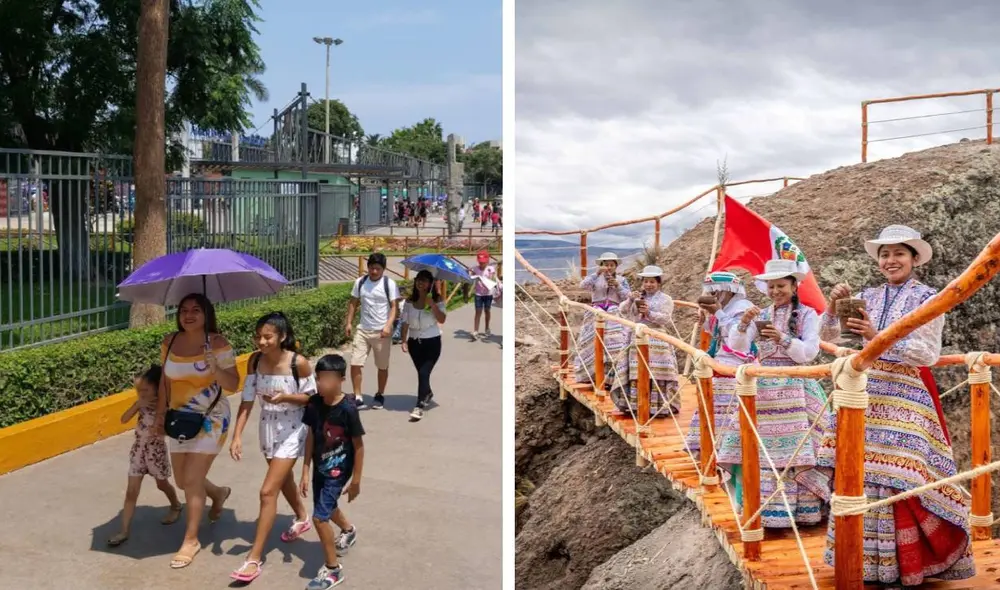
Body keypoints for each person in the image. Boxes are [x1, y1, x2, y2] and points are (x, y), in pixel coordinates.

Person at [816, 225, 974, 585]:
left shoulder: (929, 297)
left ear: (914, 258)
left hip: (906, 395)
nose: (891, 261)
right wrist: (832, 307)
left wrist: (876, 337)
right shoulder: (867, 296)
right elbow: (826, 339)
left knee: (901, 477)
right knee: (863, 474)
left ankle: (906, 568)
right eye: (885, 255)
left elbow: (927, 353)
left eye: (899, 254)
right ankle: (865, 565)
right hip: (865, 394)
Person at [721, 259, 832, 529]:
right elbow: (737, 346)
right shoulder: (762, 314)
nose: (775, 291)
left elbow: (808, 354)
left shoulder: (807, 316)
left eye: (781, 286)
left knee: (801, 449)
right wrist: (743, 326)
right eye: (771, 287)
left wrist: (782, 338)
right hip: (764, 387)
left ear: (794, 286)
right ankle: (768, 512)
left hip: (796, 385)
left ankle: (804, 511)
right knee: (761, 449)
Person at [229, 312, 316, 583]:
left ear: (282, 337)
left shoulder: (298, 363)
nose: (262, 341)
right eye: (258, 336)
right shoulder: (254, 361)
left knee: (268, 491)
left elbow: (313, 399)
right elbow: (246, 402)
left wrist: (286, 397)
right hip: (267, 427)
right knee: (282, 478)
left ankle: (253, 559)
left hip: (294, 428)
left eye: (268, 336)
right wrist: (237, 436)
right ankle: (303, 516)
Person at [154, 293, 238, 568]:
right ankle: (217, 493)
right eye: (183, 310)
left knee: (191, 479)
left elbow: (233, 384)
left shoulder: (218, 343)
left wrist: (216, 368)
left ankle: (191, 539)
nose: (188, 315)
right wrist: (159, 414)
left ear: (206, 314)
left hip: (212, 418)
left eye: (195, 310)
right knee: (182, 480)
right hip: (180, 418)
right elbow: (165, 383)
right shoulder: (170, 341)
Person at [685, 272, 757, 503]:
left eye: (717, 291)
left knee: (722, 409)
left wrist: (717, 312)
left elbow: (737, 340)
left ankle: (722, 456)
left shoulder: (742, 307)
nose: (714, 295)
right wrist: (706, 318)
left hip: (736, 362)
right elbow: (714, 331)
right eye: (711, 291)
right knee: (712, 406)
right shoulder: (725, 306)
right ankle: (710, 453)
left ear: (730, 290)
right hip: (721, 359)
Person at [300, 354, 366, 590]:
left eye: (328, 378)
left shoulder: (348, 408)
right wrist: (305, 470)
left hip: (339, 470)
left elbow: (358, 446)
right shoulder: (314, 403)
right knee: (325, 505)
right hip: (319, 466)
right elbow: (310, 436)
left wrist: (356, 480)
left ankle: (332, 570)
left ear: (341, 379)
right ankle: (348, 530)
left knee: (319, 517)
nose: (322, 383)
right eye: (319, 378)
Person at [106, 365, 182, 548]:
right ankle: (124, 530)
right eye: (138, 390)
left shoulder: (165, 406)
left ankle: (176, 504)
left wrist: (160, 423)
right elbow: (124, 419)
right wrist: (137, 404)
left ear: (157, 388)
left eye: (145, 390)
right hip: (138, 451)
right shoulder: (141, 403)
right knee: (131, 491)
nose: (141, 393)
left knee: (162, 484)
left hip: (156, 452)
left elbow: (170, 430)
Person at [616, 265, 681, 416]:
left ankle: (660, 406)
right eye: (646, 281)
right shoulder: (637, 297)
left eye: (652, 281)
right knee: (637, 371)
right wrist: (630, 299)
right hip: (637, 337)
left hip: (657, 338)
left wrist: (648, 313)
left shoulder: (666, 299)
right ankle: (637, 404)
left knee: (659, 373)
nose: (648, 284)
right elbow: (623, 310)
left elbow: (665, 318)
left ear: (659, 283)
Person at [344, 253, 400, 410]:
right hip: (363, 329)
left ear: (383, 269)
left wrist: (388, 325)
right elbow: (353, 303)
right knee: (355, 362)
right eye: (371, 268)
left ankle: (380, 394)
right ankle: (358, 396)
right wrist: (349, 322)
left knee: (382, 366)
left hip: (381, 332)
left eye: (377, 268)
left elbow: (394, 306)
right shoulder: (360, 282)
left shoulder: (389, 284)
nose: (374, 271)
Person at [574, 252, 631, 391]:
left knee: (614, 343)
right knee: (592, 344)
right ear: (602, 265)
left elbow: (628, 297)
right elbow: (583, 286)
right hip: (595, 312)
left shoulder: (622, 280)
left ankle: (612, 378)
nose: (609, 267)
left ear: (616, 266)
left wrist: (618, 286)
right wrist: (596, 274)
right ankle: (593, 376)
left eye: (612, 265)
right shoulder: (594, 278)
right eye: (606, 265)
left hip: (614, 313)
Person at [399, 270, 448, 421]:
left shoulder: (436, 299)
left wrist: (432, 305)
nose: (421, 283)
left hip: (432, 342)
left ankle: (419, 406)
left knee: (423, 373)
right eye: (418, 280)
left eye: (425, 280)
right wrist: (404, 340)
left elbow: (442, 319)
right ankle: (428, 393)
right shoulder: (409, 301)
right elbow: (405, 322)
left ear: (430, 284)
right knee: (422, 372)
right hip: (415, 343)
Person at [469, 250, 498, 339]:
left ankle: (487, 328)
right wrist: (470, 273)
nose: (482, 264)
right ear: (478, 261)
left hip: (488, 293)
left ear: (487, 261)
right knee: (478, 311)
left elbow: (493, 280)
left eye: (484, 262)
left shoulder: (490, 269)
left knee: (487, 311)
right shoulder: (475, 269)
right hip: (478, 293)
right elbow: (471, 279)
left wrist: (490, 277)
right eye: (480, 262)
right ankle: (476, 330)